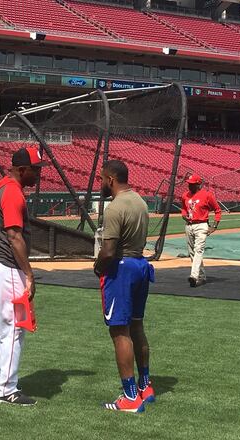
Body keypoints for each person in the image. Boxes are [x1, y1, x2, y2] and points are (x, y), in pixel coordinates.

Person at [0, 147, 43, 406]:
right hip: (7, 267)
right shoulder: (13, 193)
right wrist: (29, 274)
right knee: (14, 328)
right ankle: (6, 389)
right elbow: (14, 236)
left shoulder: (3, 188)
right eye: (35, 170)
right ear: (21, 169)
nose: (38, 175)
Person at [94, 160, 155, 413]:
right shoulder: (140, 201)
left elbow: (108, 251)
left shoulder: (115, 207)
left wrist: (98, 267)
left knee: (119, 331)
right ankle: (145, 386)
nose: (100, 183)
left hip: (122, 269)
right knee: (137, 325)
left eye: (101, 179)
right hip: (140, 265)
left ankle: (130, 397)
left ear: (110, 179)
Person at [180, 174, 221, 287]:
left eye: (192, 184)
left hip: (201, 225)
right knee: (192, 252)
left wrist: (214, 226)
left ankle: (194, 276)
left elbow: (217, 210)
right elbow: (183, 209)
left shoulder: (207, 195)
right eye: (189, 184)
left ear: (198, 184)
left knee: (198, 250)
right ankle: (201, 277)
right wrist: (184, 215)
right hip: (189, 225)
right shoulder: (185, 196)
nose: (189, 186)